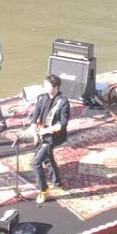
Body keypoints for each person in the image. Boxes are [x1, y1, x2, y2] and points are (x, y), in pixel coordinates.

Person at [29, 74, 71, 204]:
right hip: (41, 133)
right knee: (48, 158)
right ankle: (56, 182)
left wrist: (46, 131)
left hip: (52, 136)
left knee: (35, 162)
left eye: (47, 86)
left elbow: (62, 124)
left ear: (56, 87)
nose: (45, 87)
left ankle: (43, 190)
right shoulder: (43, 97)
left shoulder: (63, 102)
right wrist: (33, 129)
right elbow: (36, 114)